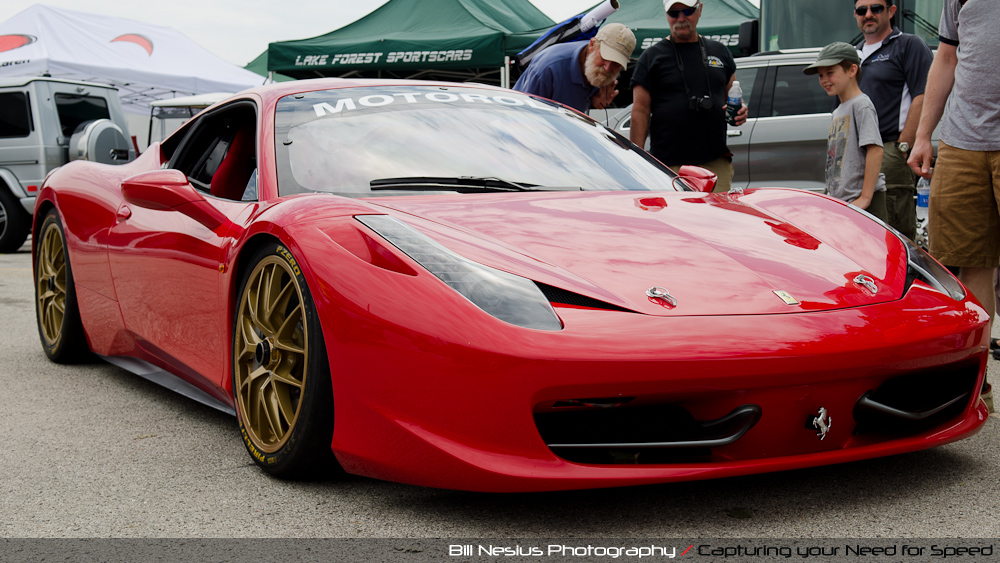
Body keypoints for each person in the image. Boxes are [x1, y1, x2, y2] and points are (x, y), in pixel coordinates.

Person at [908, 0, 999, 410]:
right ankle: (976, 382)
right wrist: (925, 134)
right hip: (963, 142)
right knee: (968, 263)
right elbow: (946, 57)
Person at [629, 1, 747, 193]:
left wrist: (741, 108)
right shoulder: (651, 57)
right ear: (666, 14)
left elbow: (734, 94)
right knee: (674, 221)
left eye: (687, 11)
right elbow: (640, 110)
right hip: (668, 167)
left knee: (718, 219)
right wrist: (637, 159)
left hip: (715, 164)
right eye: (674, 13)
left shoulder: (720, 51)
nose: (681, 19)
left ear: (699, 9)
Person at [853, 0, 933, 240]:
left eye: (876, 8)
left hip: (889, 149)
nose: (868, 14)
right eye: (861, 10)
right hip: (857, 155)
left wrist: (904, 146)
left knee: (895, 235)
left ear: (891, 10)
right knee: (862, 233)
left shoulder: (908, 45)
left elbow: (923, 96)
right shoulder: (852, 53)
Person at [805, 42, 888, 220]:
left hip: (864, 202)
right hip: (844, 202)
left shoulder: (861, 105)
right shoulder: (838, 111)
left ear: (851, 70)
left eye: (830, 73)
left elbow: (875, 150)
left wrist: (865, 198)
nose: (824, 80)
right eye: (820, 75)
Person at [513, 23, 636, 113]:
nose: (608, 68)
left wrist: (597, 102)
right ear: (592, 44)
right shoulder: (549, 68)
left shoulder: (596, 67)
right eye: (605, 57)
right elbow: (523, 116)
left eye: (616, 63)